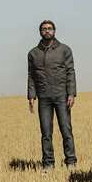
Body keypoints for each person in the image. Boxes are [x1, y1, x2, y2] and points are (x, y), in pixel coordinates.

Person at [27, 20, 77, 169]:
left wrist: (71, 93)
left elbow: (70, 72)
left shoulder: (64, 50)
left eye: (50, 28)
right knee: (46, 132)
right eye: (44, 29)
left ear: (54, 31)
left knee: (66, 130)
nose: (47, 31)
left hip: (62, 96)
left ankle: (71, 161)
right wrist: (31, 95)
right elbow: (31, 76)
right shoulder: (33, 53)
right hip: (44, 97)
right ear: (40, 32)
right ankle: (48, 163)